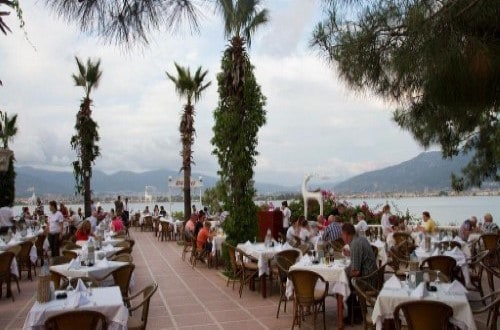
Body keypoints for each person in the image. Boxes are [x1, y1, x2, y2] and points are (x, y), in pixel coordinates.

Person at [341, 223, 377, 325]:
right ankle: (357, 313)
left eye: (342, 235)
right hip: (373, 275)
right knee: (345, 280)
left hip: (368, 280)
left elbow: (356, 272)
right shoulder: (361, 239)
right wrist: (350, 254)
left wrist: (345, 276)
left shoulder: (355, 244)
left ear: (346, 234)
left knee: (344, 283)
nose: (342, 237)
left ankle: (355, 316)